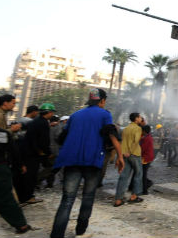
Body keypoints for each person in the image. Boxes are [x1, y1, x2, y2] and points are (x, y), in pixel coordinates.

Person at [49, 88, 124, 238]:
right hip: (92, 160)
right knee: (88, 196)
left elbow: (62, 137)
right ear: (102, 101)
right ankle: (80, 230)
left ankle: (56, 235)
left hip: (71, 161)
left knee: (67, 199)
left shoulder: (75, 115)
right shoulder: (105, 114)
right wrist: (120, 156)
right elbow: (111, 134)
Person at [0, 113, 32, 234]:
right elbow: (13, 151)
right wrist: (20, 165)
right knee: (5, 198)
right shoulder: (1, 134)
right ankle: (21, 225)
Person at [20, 102, 56, 205]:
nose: (52, 115)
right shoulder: (43, 123)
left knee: (28, 175)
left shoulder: (36, 121)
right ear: (48, 112)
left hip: (28, 152)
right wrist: (47, 152)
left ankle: (24, 195)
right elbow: (43, 141)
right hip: (33, 154)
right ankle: (27, 197)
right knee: (31, 175)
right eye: (52, 112)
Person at [113, 112, 144, 206]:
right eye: (139, 117)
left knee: (124, 176)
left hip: (124, 154)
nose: (141, 118)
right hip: (134, 154)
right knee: (138, 174)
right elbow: (136, 141)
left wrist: (123, 154)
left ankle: (118, 199)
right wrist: (130, 152)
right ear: (136, 119)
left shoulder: (125, 129)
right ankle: (134, 196)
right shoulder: (138, 128)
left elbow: (122, 141)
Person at [140, 125, 154, 195]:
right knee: (143, 173)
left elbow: (142, 149)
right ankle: (147, 184)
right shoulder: (149, 137)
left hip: (145, 158)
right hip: (148, 157)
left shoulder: (146, 138)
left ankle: (145, 189)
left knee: (143, 174)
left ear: (144, 131)